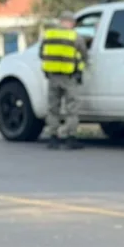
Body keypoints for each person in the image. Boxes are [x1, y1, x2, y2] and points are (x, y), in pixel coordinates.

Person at [40, 10, 89, 150]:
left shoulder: (48, 35)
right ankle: (70, 138)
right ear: (71, 22)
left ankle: (53, 138)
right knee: (72, 108)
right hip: (69, 77)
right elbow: (84, 54)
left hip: (52, 77)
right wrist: (81, 68)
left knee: (53, 108)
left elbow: (41, 53)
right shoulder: (75, 37)